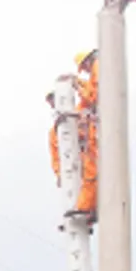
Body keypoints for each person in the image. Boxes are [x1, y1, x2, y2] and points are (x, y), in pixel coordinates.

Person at [47, 50, 100, 223]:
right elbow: (55, 154)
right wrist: (59, 173)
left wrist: (77, 84)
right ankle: (88, 208)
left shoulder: (98, 69)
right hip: (85, 146)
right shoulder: (55, 130)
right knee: (90, 174)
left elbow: (93, 97)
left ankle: (87, 207)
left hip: (95, 133)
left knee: (92, 173)